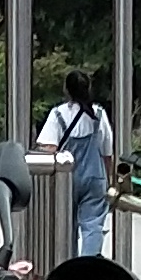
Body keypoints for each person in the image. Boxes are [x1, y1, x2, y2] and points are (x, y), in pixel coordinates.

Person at [36, 63, 115, 260]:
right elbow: (107, 152)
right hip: (95, 176)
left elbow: (48, 149)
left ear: (66, 90)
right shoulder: (98, 114)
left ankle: (68, 266)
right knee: (93, 224)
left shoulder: (58, 114)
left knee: (65, 225)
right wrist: (110, 180)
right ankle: (87, 266)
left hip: (67, 178)